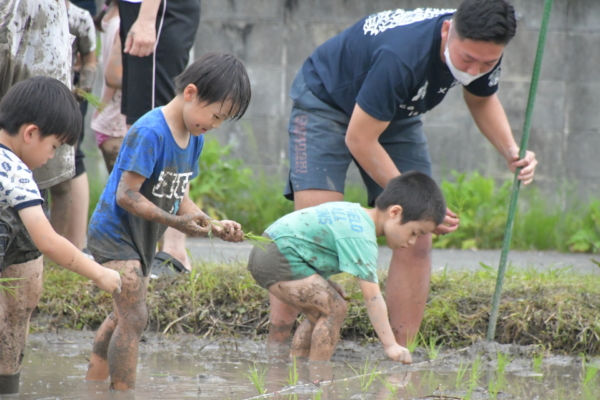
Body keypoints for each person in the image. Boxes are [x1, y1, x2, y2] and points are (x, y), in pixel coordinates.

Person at [274, 0, 538, 348]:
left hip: (396, 113)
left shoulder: (484, 48)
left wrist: (510, 151)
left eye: (486, 63)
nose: (475, 69)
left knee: (419, 230)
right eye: (466, 60)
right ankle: (276, 349)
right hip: (327, 101)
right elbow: (359, 138)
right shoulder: (402, 56)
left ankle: (400, 354)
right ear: (448, 32)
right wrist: (417, 200)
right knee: (313, 230)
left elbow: (482, 98)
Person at [84, 52, 251, 391]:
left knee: (122, 314)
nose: (215, 125)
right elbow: (125, 195)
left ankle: (92, 383)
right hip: (114, 233)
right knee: (135, 316)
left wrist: (213, 224)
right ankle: (122, 393)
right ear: (190, 93)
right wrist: (175, 222)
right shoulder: (150, 131)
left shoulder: (195, 137)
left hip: (141, 238)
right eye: (215, 115)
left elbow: (177, 194)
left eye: (223, 120)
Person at [0, 77, 122, 394]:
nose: (52, 156)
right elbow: (48, 241)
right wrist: (99, 273)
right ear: (30, 133)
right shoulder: (16, 172)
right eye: (54, 146)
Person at [249, 172, 446, 362]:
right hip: (277, 255)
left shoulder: (356, 215)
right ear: (395, 212)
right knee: (335, 308)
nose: (412, 241)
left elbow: (309, 244)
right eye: (414, 232)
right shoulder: (362, 236)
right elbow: (373, 298)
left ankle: (298, 369)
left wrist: (327, 283)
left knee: (318, 313)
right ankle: (319, 376)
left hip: (269, 249)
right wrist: (390, 345)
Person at [119, 0, 201, 273]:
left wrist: (146, 17)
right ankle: (144, 246)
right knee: (141, 122)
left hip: (157, 11)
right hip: (139, 9)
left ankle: (174, 250)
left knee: (168, 123)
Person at [48, 0, 98, 251]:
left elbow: (90, 59)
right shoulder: (16, 8)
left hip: (67, 98)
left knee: (63, 176)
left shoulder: (79, 18)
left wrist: (84, 88)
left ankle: (58, 247)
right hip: (26, 99)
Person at [91, 0, 128, 174]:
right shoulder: (124, 21)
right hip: (117, 123)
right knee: (123, 195)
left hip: (108, 117)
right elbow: (115, 76)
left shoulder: (111, 14)